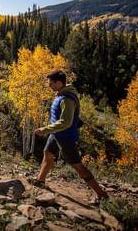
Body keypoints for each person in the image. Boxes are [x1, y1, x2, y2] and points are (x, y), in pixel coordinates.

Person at [32, 71, 108, 204]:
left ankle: (101, 194)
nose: (49, 86)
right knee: (48, 153)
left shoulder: (67, 99)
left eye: (51, 83)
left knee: (77, 165)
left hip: (65, 137)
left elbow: (65, 122)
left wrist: (43, 130)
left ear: (59, 83)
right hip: (56, 134)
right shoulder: (61, 95)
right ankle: (40, 181)